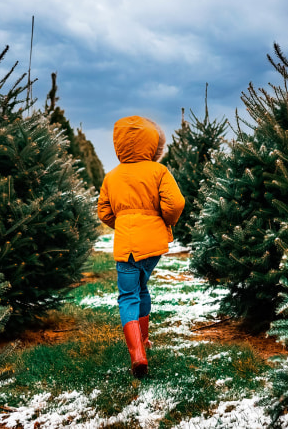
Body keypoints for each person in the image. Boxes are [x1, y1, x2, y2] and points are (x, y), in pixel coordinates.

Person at [97, 116, 185, 378]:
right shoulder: (158, 172)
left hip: (127, 245)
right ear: (152, 143)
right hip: (152, 248)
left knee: (127, 296)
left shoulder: (112, 177)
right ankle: (144, 339)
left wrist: (122, 221)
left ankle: (137, 353)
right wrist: (163, 221)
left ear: (119, 144)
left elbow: (103, 212)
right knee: (142, 286)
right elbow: (176, 204)